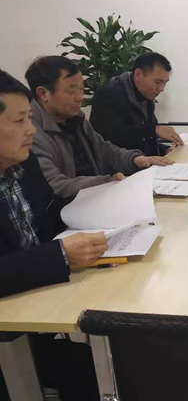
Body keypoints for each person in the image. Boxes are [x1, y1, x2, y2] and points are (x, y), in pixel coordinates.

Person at [0, 69, 102, 400]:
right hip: (11, 333)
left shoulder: (23, 163)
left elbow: (50, 218)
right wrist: (60, 254)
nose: (31, 129)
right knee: (93, 372)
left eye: (29, 118)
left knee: (118, 354)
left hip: (40, 301)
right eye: (19, 121)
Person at [26, 56, 172, 198]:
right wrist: (107, 182)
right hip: (69, 209)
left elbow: (103, 150)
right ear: (43, 93)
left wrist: (135, 159)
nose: (80, 97)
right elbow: (53, 185)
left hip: (97, 199)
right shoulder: (29, 132)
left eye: (81, 90)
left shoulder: (75, 118)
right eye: (71, 91)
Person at [90, 52, 183, 155]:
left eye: (164, 83)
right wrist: (153, 131)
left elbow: (145, 142)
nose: (161, 89)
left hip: (144, 161)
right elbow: (111, 139)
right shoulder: (109, 94)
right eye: (157, 82)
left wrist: (165, 150)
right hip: (122, 164)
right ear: (138, 74)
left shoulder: (145, 95)